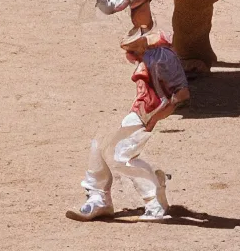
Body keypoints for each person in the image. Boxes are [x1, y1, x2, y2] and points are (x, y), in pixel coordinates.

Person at [67, 23, 188, 222]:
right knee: (100, 143)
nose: (129, 53)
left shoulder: (162, 57)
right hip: (138, 111)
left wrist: (155, 117)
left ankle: (154, 200)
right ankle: (99, 198)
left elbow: (181, 94)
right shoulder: (149, 56)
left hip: (146, 114)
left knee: (122, 156)